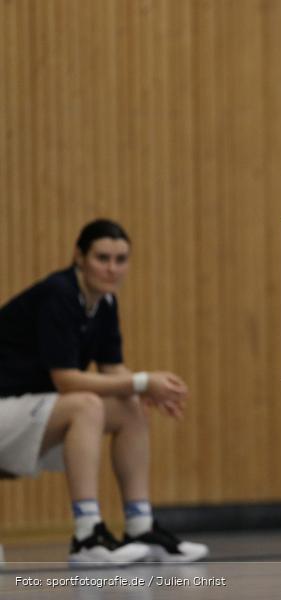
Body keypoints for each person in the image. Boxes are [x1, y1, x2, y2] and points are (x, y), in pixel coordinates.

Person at [0, 219, 208, 566]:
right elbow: (66, 380)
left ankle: (140, 526)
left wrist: (149, 393)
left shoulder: (105, 302)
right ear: (79, 257)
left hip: (25, 412)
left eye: (121, 259)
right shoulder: (59, 294)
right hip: (6, 408)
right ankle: (86, 535)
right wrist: (142, 381)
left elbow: (113, 370)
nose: (112, 268)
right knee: (86, 405)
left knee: (130, 407)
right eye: (102, 258)